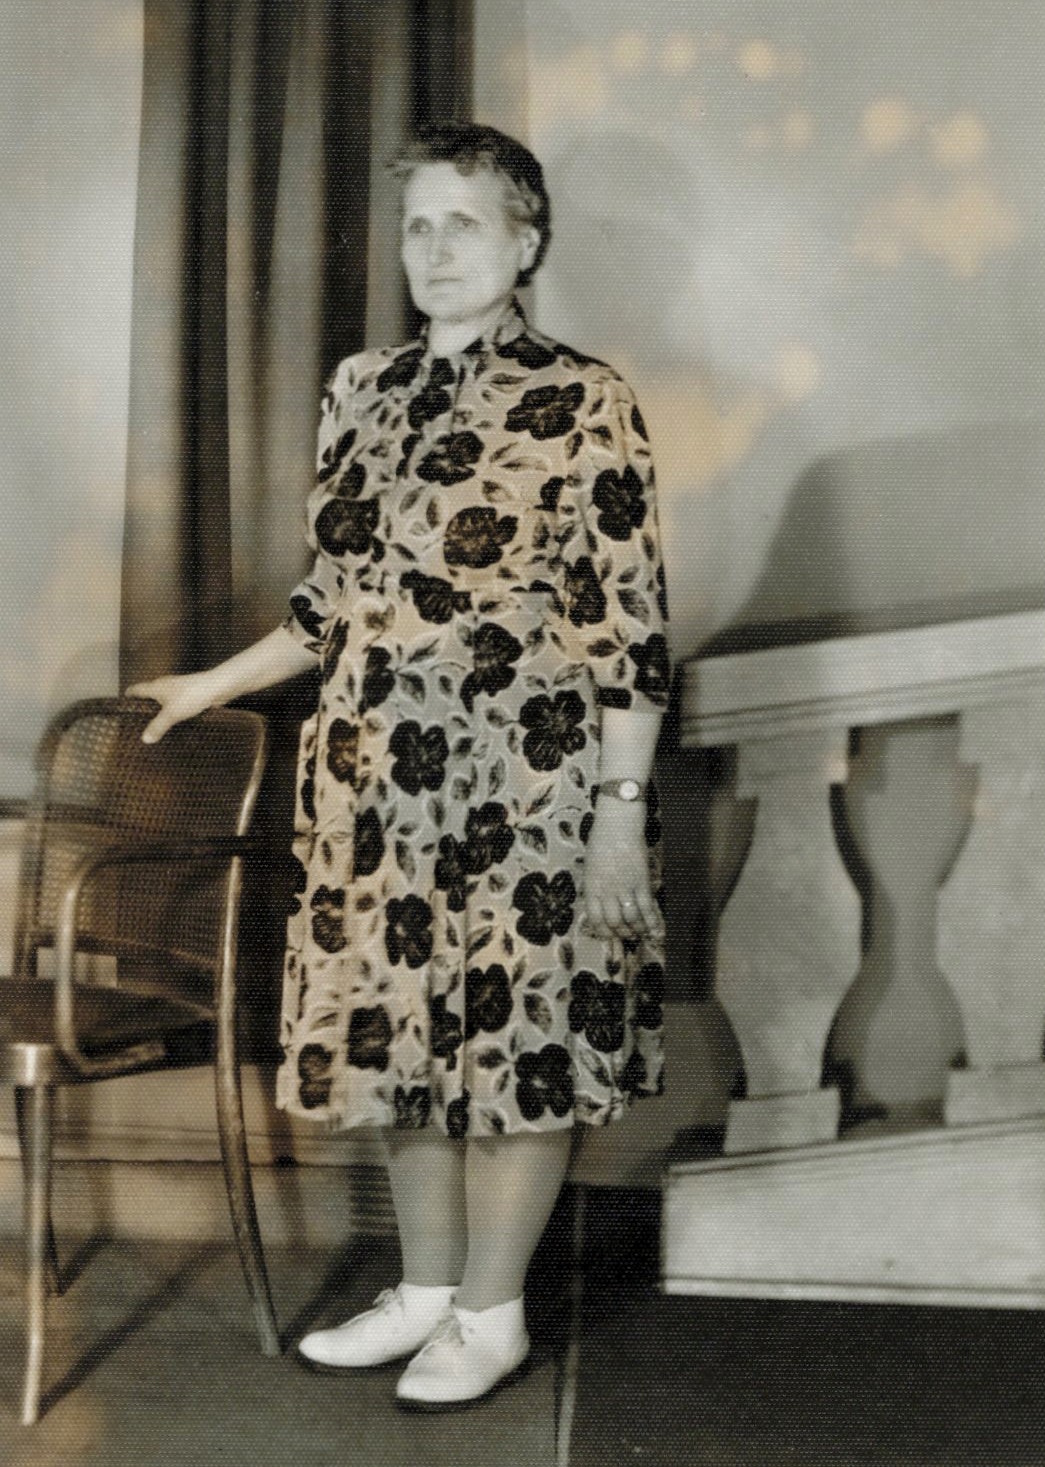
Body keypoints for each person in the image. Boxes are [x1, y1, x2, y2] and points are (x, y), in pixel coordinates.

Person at [128, 121, 671, 1411]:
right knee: (399, 1031)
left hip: (529, 778)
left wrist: (618, 814)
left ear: (526, 243)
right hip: (373, 779)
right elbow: (331, 601)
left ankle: (492, 1313)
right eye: (417, 226)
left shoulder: (587, 399)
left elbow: (631, 632)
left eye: (463, 224)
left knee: (523, 1041)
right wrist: (210, 685)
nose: (434, 249)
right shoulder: (360, 387)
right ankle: (425, 1295)